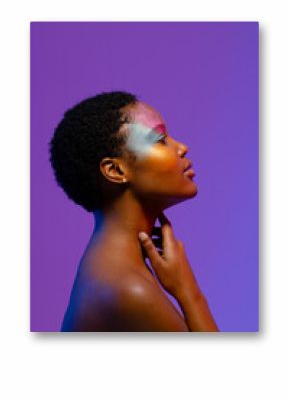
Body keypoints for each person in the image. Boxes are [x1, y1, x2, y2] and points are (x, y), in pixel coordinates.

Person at [49, 91, 219, 332]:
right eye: (160, 139)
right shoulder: (128, 289)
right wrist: (189, 292)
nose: (181, 147)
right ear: (116, 171)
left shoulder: (109, 266)